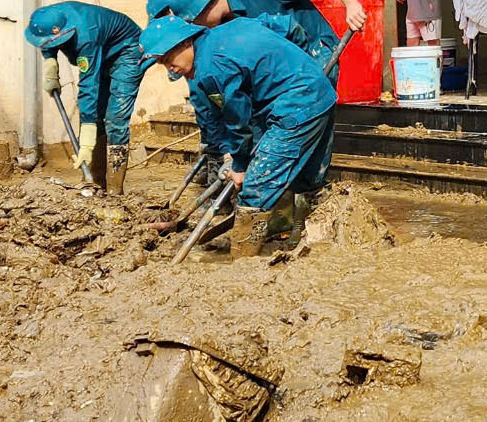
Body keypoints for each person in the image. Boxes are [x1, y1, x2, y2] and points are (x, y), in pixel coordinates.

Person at [141, 15, 340, 255]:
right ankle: (315, 243)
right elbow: (285, 26)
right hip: (319, 92)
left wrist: (240, 164)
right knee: (309, 179)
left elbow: (238, 119)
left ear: (185, 43)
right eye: (161, 63)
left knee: (255, 189)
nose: (169, 67)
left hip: (295, 106)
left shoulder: (210, 69)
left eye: (167, 58)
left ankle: (242, 263)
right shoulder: (233, 28)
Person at [163, 0, 366, 77]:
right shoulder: (223, 26)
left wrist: (350, 4)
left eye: (194, 20)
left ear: (205, 6)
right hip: (281, 70)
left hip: (315, 57)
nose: (196, 26)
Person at [25, 1, 149, 194]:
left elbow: (88, 87)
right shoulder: (50, 20)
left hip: (127, 51)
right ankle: (94, 181)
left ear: (64, 30)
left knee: (115, 118)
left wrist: (86, 142)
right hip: (103, 50)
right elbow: (47, 41)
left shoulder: (86, 36)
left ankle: (115, 191)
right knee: (96, 114)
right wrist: (50, 63)